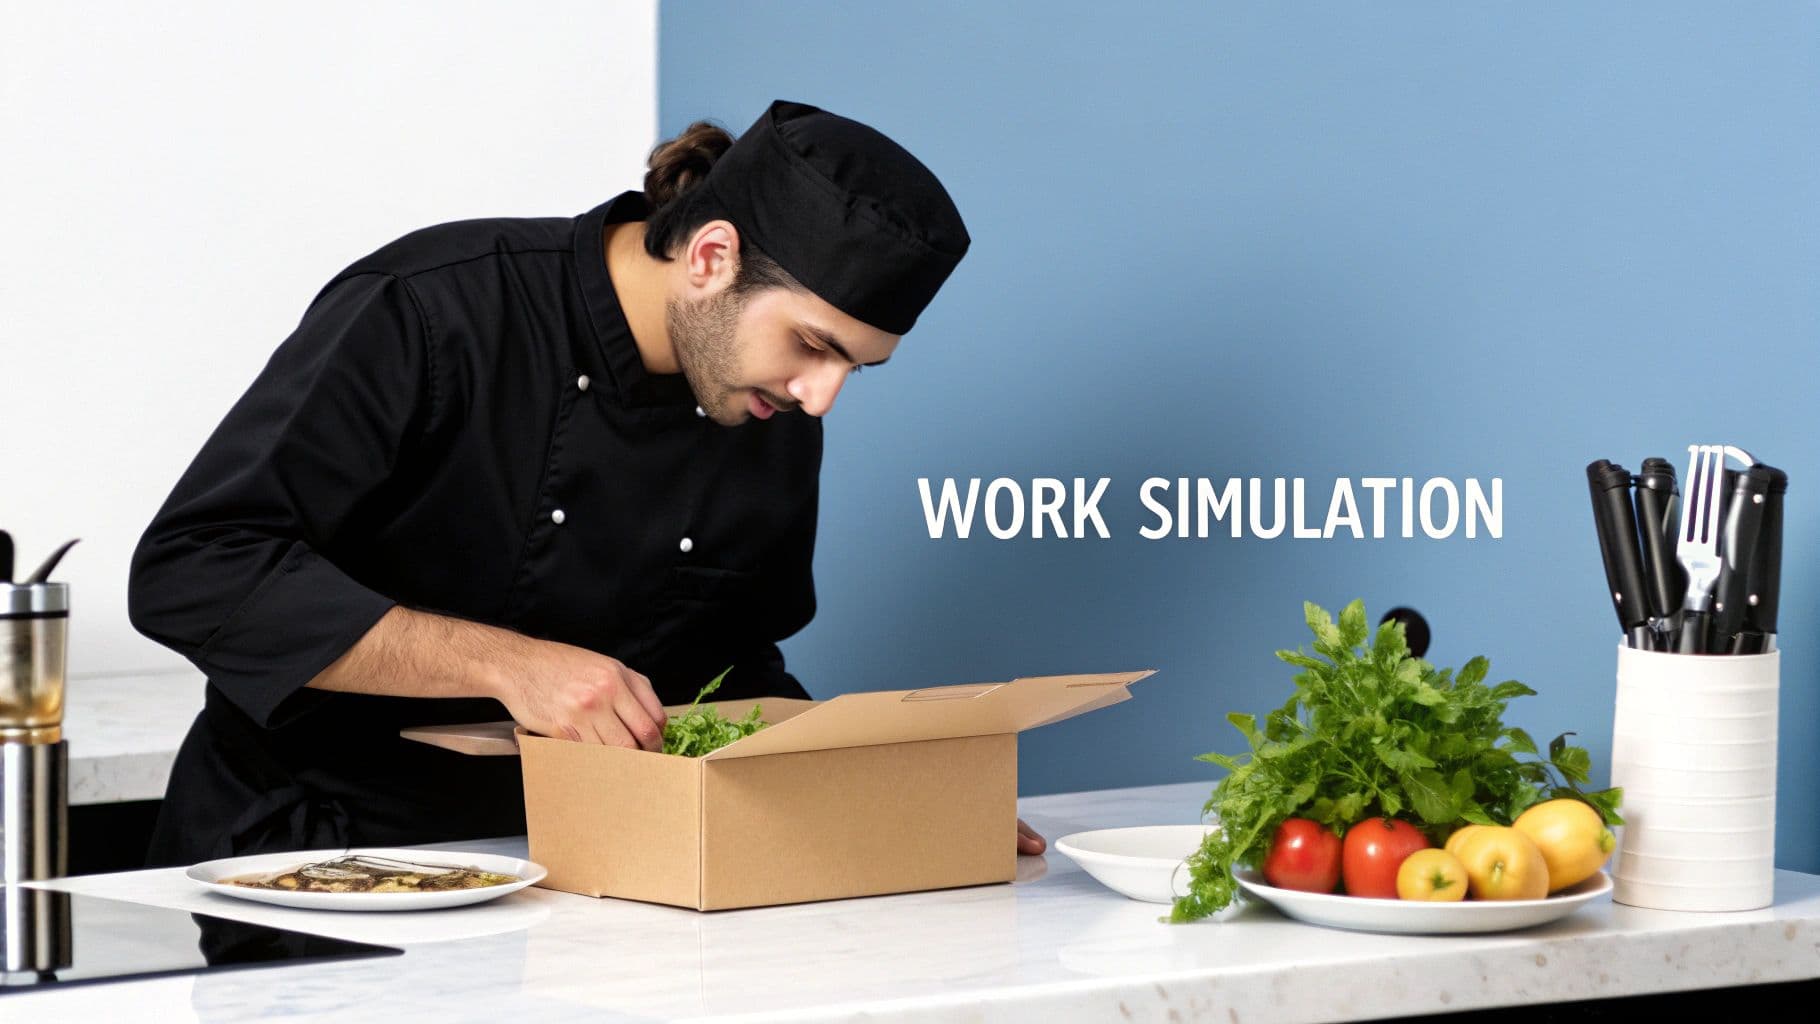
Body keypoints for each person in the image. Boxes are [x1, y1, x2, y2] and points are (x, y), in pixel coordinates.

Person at [128, 99, 1048, 865]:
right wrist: (509, 663)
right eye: (813, 345)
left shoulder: (765, 401)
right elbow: (195, 567)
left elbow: (729, 667)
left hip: (571, 868)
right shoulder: (436, 308)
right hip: (313, 858)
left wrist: (877, 795)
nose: (822, 396)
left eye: (855, 367)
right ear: (710, 257)